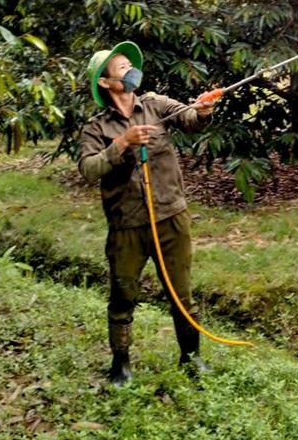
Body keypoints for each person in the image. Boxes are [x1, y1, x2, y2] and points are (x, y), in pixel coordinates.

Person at [78, 41, 215, 387]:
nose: (129, 70)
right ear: (105, 83)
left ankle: (191, 357)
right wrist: (121, 144)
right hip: (127, 225)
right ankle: (121, 365)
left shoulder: (155, 105)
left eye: (129, 64)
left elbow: (188, 117)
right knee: (123, 296)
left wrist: (201, 109)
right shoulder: (96, 128)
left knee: (181, 294)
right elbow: (89, 169)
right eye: (121, 67)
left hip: (170, 216)